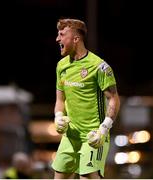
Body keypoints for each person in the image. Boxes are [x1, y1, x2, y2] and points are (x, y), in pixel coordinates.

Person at [51, 18, 120, 179]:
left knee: (87, 176)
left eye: (62, 34)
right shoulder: (61, 66)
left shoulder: (99, 66)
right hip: (70, 136)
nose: (57, 39)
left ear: (76, 39)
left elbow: (114, 99)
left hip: (93, 135)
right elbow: (60, 100)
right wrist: (58, 116)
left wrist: (104, 128)